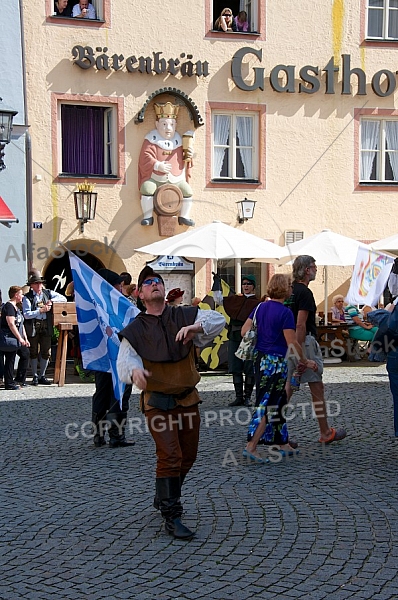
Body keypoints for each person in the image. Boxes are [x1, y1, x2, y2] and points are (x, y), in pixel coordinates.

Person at [117, 265, 225, 540]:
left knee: (188, 457)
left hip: (188, 399)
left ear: (164, 291)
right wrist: (134, 372)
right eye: (148, 283)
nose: (155, 285)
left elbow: (217, 321)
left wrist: (195, 327)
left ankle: (164, 494)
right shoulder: (135, 329)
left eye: (158, 282)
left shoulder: (184, 314)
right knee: (170, 455)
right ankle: (171, 513)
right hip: (157, 402)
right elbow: (124, 361)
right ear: (140, 294)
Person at [241, 275, 317, 463]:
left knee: (279, 399)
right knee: (269, 403)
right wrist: (306, 361)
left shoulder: (259, 307)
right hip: (275, 362)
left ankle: (282, 443)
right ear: (284, 289)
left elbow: (244, 332)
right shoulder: (285, 313)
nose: (292, 289)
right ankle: (251, 446)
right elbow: (291, 342)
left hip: (260, 360)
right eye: (290, 286)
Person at [286, 256, 347, 444]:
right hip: (303, 343)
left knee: (287, 388)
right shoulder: (304, 293)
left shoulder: (288, 291)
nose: (316, 270)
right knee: (315, 387)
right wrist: (302, 356)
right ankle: (325, 432)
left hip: (287, 342)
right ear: (306, 270)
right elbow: (301, 324)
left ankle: (273, 432)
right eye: (314, 267)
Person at [91, 268, 134, 448]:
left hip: (102, 356)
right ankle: (116, 435)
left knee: (101, 393)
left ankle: (99, 435)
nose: (120, 290)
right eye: (118, 286)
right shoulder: (118, 304)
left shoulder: (95, 303)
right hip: (119, 356)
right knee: (119, 393)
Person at [138, 102, 195, 227]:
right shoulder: (151, 139)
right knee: (147, 189)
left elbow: (185, 159)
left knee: (187, 191)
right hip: (156, 177)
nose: (168, 128)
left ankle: (184, 216)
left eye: (171, 125)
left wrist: (189, 154)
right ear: (157, 124)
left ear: (175, 125)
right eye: (164, 124)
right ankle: (148, 217)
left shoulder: (180, 141)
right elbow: (145, 156)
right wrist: (157, 165)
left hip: (176, 178)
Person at [22, 273, 66, 386]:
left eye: (40, 283)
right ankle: (35, 376)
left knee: (46, 351)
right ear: (32, 285)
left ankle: (42, 375)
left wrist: (51, 302)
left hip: (46, 324)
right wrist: (40, 311)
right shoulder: (27, 297)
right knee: (33, 351)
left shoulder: (48, 293)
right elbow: (26, 314)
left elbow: (63, 298)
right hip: (33, 324)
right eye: (36, 283)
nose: (39, 285)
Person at [223, 275, 260, 407]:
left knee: (249, 367)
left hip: (249, 337)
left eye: (249, 284)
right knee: (235, 366)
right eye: (244, 284)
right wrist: (216, 284)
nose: (246, 286)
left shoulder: (257, 303)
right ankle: (239, 397)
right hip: (234, 336)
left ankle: (247, 397)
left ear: (253, 286)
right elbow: (218, 299)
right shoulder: (235, 300)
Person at [0, 286, 30, 390]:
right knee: (9, 360)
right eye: (21, 294)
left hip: (15, 338)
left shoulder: (17, 307)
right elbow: (11, 324)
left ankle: (15, 381)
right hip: (9, 338)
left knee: (15, 357)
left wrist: (25, 338)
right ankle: (9, 383)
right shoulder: (9, 307)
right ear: (16, 295)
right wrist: (20, 338)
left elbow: (21, 324)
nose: (22, 296)